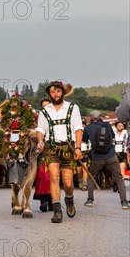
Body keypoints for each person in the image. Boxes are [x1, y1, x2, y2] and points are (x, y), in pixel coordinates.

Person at [36, 81, 83, 223]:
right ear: (49, 94)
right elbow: (40, 130)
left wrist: (78, 147)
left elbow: (78, 129)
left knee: (68, 182)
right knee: (54, 177)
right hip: (51, 148)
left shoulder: (73, 108)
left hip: (68, 147)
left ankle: (69, 199)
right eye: (52, 92)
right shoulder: (44, 111)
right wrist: (40, 141)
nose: (55, 94)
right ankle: (57, 210)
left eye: (58, 91)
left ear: (62, 92)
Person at [82, 111, 128, 209]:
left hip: (97, 157)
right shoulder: (106, 124)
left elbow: (84, 140)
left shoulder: (88, 127)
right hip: (111, 156)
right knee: (119, 178)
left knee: (91, 177)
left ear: (91, 118)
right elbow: (113, 136)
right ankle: (124, 202)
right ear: (100, 117)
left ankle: (90, 200)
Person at [33, 99, 53, 211]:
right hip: (40, 154)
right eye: (43, 106)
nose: (45, 108)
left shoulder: (55, 119)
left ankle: (52, 201)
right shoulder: (35, 121)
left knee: (52, 177)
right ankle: (43, 201)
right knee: (41, 176)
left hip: (53, 152)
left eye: (47, 106)